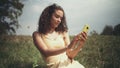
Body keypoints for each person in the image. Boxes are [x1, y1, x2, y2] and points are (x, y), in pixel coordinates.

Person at [32, 3, 87, 68]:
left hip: (69, 64)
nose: (59, 20)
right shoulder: (37, 35)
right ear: (48, 16)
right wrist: (68, 47)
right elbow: (45, 52)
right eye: (57, 16)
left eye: (61, 18)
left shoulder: (63, 32)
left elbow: (70, 55)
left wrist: (80, 45)